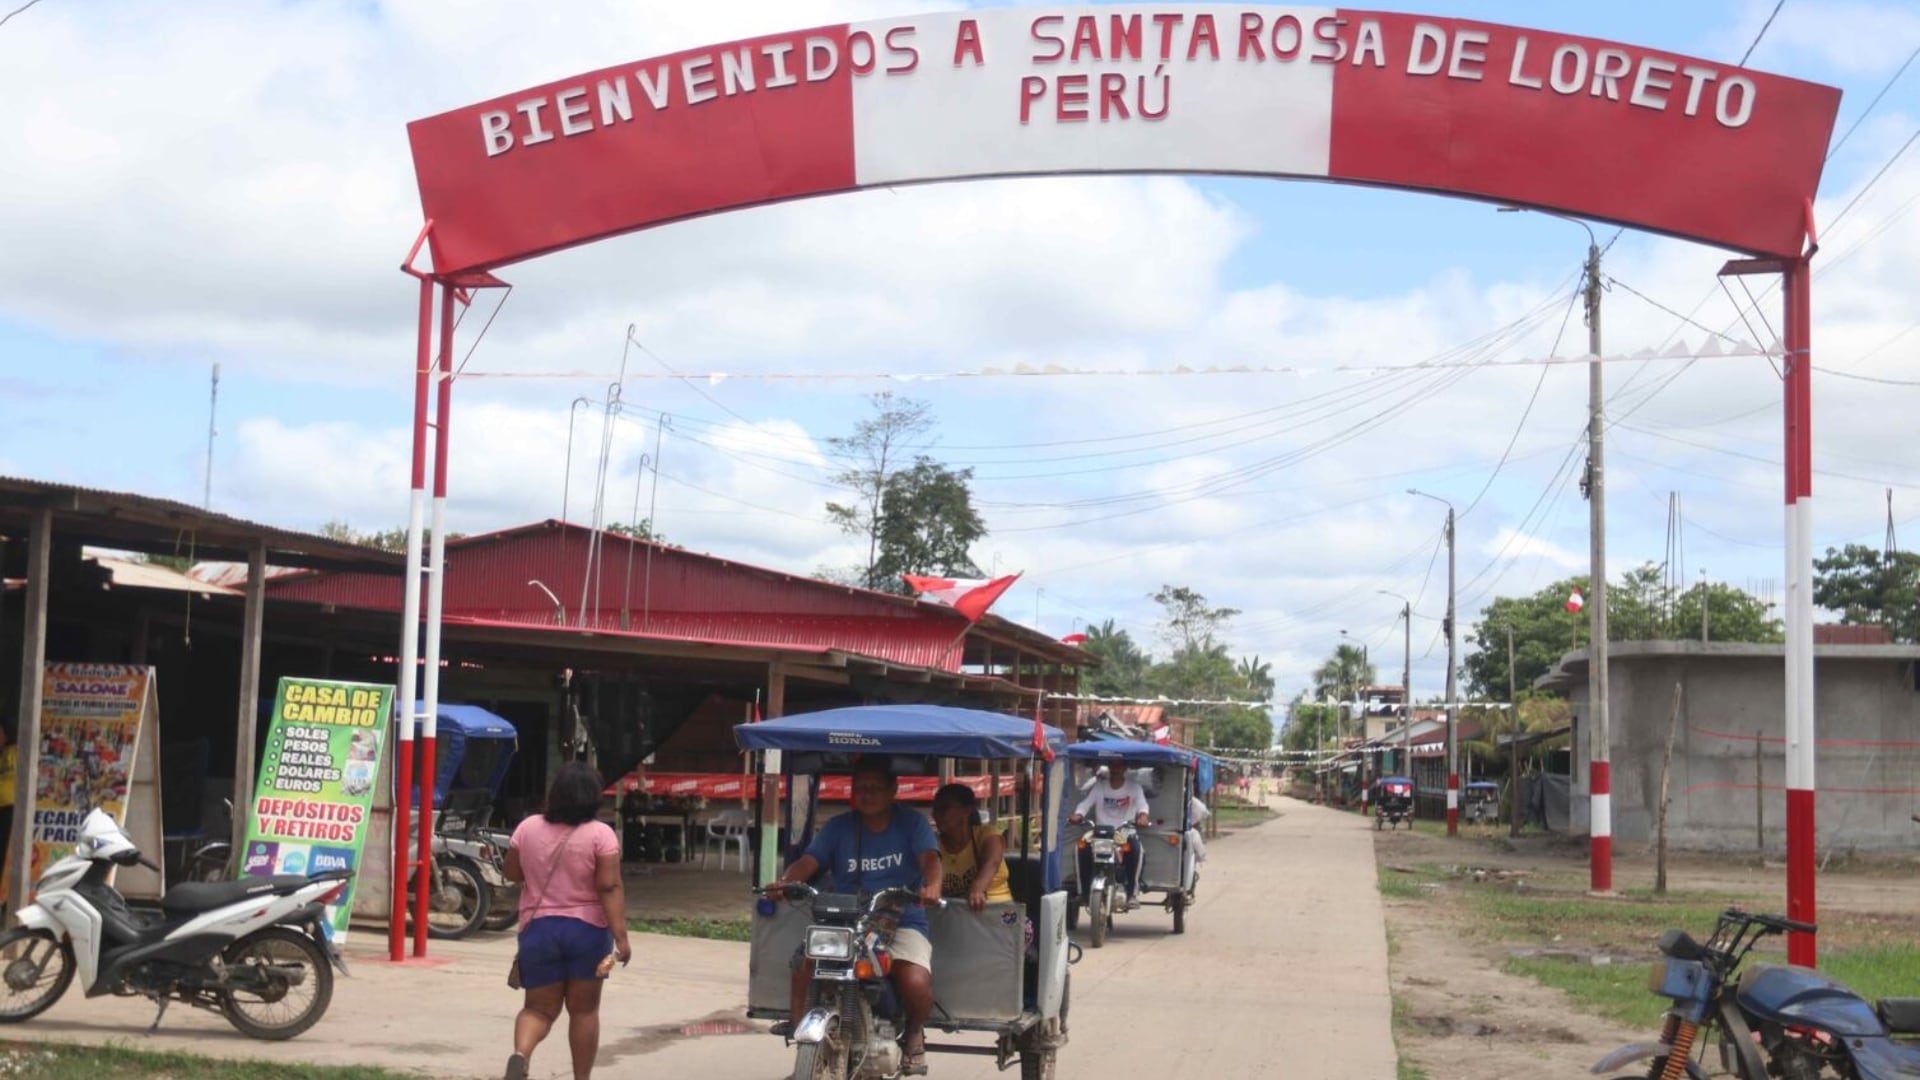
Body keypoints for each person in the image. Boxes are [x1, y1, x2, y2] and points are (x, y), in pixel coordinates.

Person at [764, 757, 940, 1075]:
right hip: (845, 919)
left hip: (900, 918)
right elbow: (809, 861)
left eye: (875, 787)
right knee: (804, 961)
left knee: (915, 982)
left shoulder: (912, 823)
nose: (867, 794)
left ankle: (914, 1032)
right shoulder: (837, 827)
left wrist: (933, 885)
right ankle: (800, 1034)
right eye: (860, 788)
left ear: (893, 790)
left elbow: (930, 858)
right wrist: (787, 881)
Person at [502, 762, 632, 1080]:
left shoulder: (527, 828)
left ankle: (521, 1054)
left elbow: (512, 873)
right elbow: (609, 887)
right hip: (588, 933)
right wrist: (621, 937)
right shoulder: (601, 835)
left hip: (539, 930)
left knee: (537, 1009)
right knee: (584, 1011)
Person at [1069, 764, 1151, 908]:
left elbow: (1142, 805)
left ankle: (1132, 893)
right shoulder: (1099, 787)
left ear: (1124, 769)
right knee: (1080, 848)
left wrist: (1143, 816)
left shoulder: (1134, 788)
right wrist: (1078, 814)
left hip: (1124, 831)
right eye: (1113, 766)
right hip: (1100, 832)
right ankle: (1083, 893)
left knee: (1136, 850)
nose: (1116, 769)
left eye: (1119, 766)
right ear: (1109, 768)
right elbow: (1085, 804)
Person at [930, 783, 1011, 911]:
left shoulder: (987, 834)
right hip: (957, 915)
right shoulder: (934, 845)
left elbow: (993, 861)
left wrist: (977, 888)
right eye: (935, 809)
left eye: (944, 808)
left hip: (999, 912)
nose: (936, 815)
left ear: (966, 811)